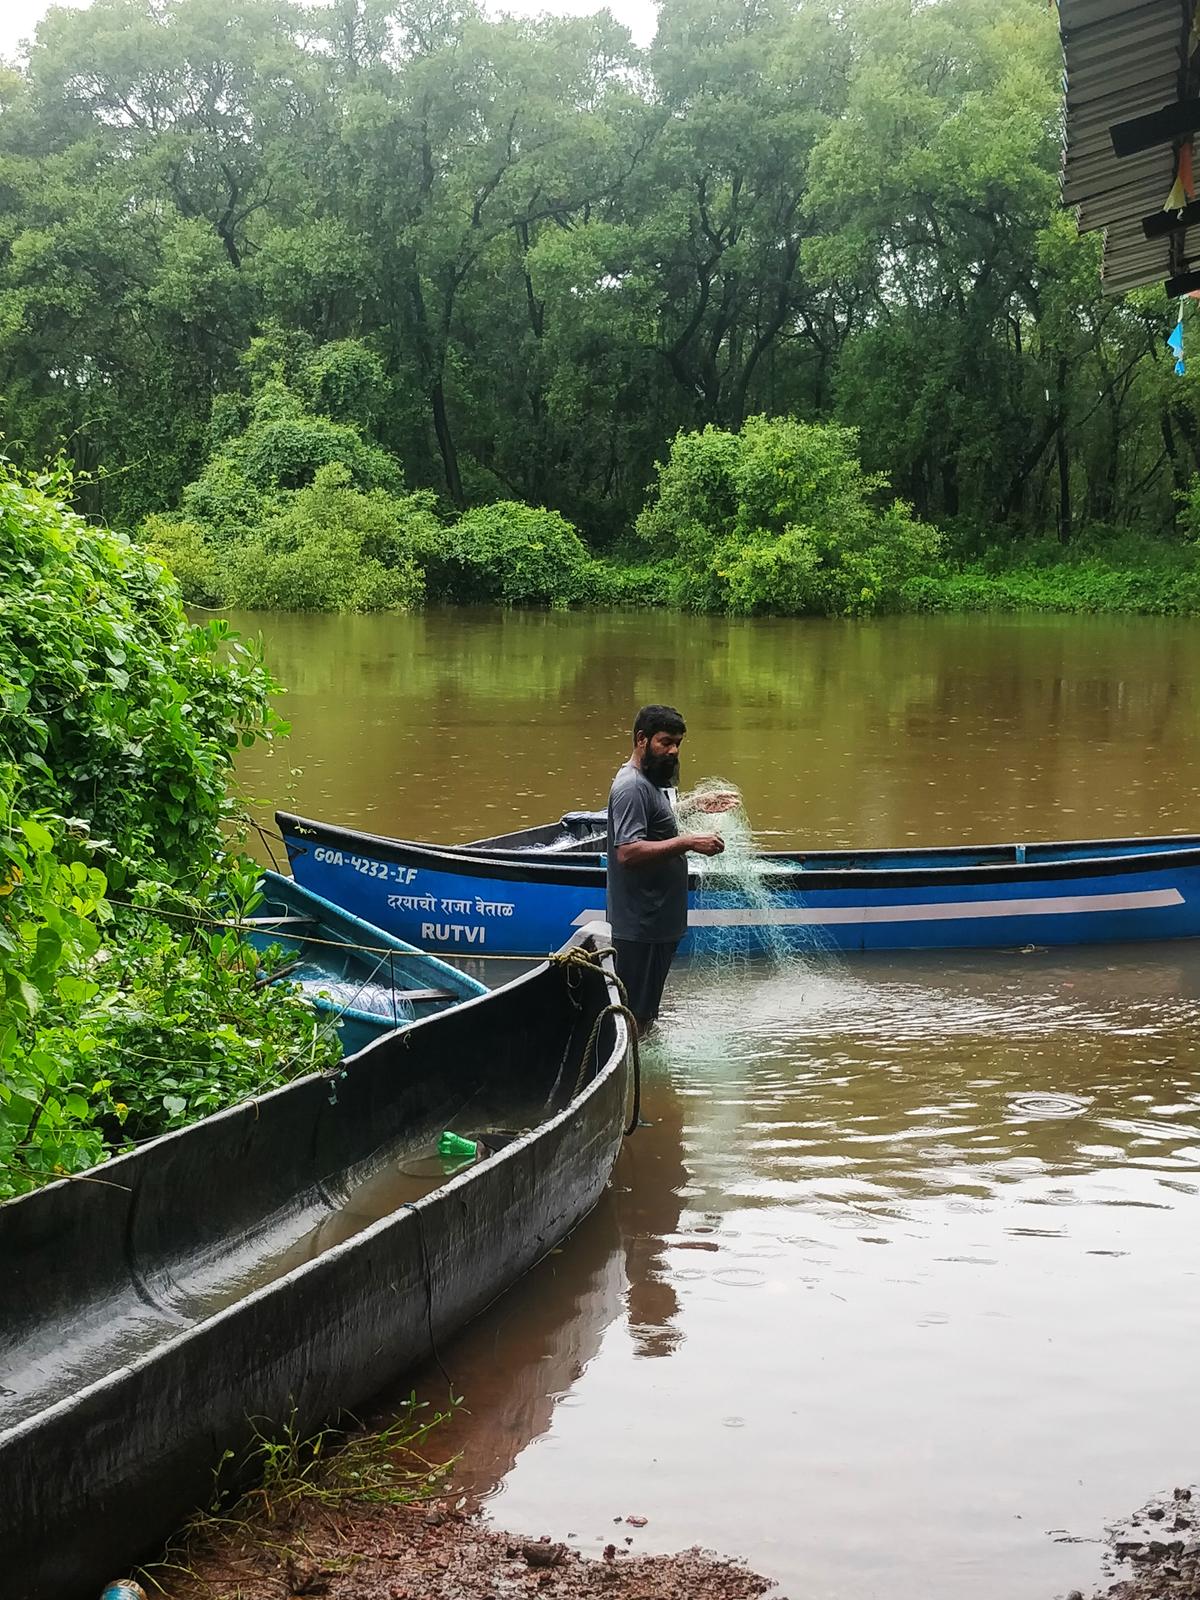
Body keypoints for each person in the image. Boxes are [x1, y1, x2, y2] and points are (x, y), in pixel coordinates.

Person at [605, 704, 735, 1035]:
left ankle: (643, 1062)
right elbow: (628, 852)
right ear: (641, 740)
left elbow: (658, 822)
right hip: (640, 925)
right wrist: (689, 842)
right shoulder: (630, 787)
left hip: (657, 923)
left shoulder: (649, 783)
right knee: (633, 1017)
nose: (674, 750)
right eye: (665, 742)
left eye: (678, 743)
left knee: (645, 1013)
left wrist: (694, 806)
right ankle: (638, 1076)